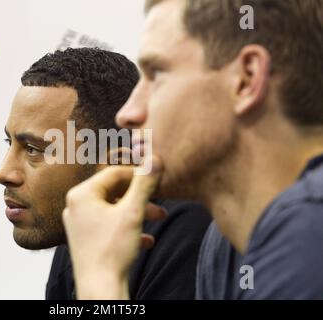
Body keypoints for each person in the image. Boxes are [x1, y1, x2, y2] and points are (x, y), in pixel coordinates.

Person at [62, 0, 323, 299]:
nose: (127, 114)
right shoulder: (222, 244)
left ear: (246, 79)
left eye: (156, 74)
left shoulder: (311, 232)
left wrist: (100, 275)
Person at [0, 47, 211, 299]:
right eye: (9, 142)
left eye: (33, 149)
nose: (3, 172)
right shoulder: (79, 225)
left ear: (114, 164)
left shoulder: (187, 232)